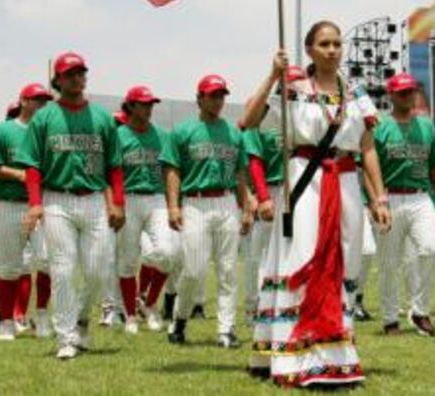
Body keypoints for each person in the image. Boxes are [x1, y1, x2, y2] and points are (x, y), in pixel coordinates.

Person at [242, 21, 392, 387]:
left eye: (337, 43)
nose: (332, 49)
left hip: (345, 181)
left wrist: (380, 196)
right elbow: (247, 120)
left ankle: (337, 356)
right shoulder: (294, 89)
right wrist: (272, 75)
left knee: (344, 262)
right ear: (309, 50)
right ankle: (297, 357)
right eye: (324, 43)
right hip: (304, 179)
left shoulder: (356, 92)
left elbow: (368, 147)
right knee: (304, 259)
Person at [15, 52, 125, 360]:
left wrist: (118, 202)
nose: (78, 77)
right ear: (58, 80)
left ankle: (82, 318)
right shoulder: (45, 117)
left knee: (98, 271)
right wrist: (36, 205)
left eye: (81, 72)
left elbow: (115, 166)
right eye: (71, 73)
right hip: (57, 199)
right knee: (62, 270)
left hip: (93, 200)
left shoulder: (102, 117)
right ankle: (65, 337)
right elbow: (32, 166)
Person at [162, 74, 255, 348]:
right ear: (199, 98)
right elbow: (172, 169)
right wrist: (172, 205)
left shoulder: (234, 133)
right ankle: (179, 319)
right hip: (195, 202)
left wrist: (246, 207)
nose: (218, 100)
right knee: (193, 270)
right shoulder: (183, 131)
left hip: (226, 201)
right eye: (213, 95)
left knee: (227, 270)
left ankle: (226, 330)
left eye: (222, 95)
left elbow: (239, 174)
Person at [373, 72, 435, 337]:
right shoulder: (380, 127)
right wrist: (375, 200)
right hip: (389, 197)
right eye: (402, 92)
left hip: (420, 195)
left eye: (412, 91)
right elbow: (370, 169)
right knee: (389, 263)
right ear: (391, 95)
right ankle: (390, 318)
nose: (408, 95)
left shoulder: (427, 126)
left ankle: (420, 310)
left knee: (432, 249)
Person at [0, 83, 54, 341]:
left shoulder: (49, 133)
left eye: (45, 100)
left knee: (47, 261)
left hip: (42, 204)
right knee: (9, 268)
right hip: (9, 204)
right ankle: (7, 321)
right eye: (37, 99)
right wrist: (22, 174)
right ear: (23, 101)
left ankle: (42, 316)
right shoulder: (3, 130)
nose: (42, 104)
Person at [242, 66, 306, 325]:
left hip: (300, 189)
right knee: (259, 255)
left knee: (295, 251)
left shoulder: (305, 116)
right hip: (273, 188)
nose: (297, 87)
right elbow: (255, 160)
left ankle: (289, 306)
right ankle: (253, 307)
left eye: (300, 83)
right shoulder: (266, 116)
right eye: (292, 83)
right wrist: (263, 196)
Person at [116, 85, 179, 334]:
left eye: (151, 104)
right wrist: (114, 203)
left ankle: (150, 303)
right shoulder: (119, 136)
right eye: (143, 104)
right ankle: (130, 314)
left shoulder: (162, 136)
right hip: (128, 199)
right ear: (130, 106)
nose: (149, 108)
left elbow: (170, 170)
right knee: (128, 261)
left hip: (156, 199)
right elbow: (112, 173)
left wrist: (174, 203)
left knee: (169, 252)